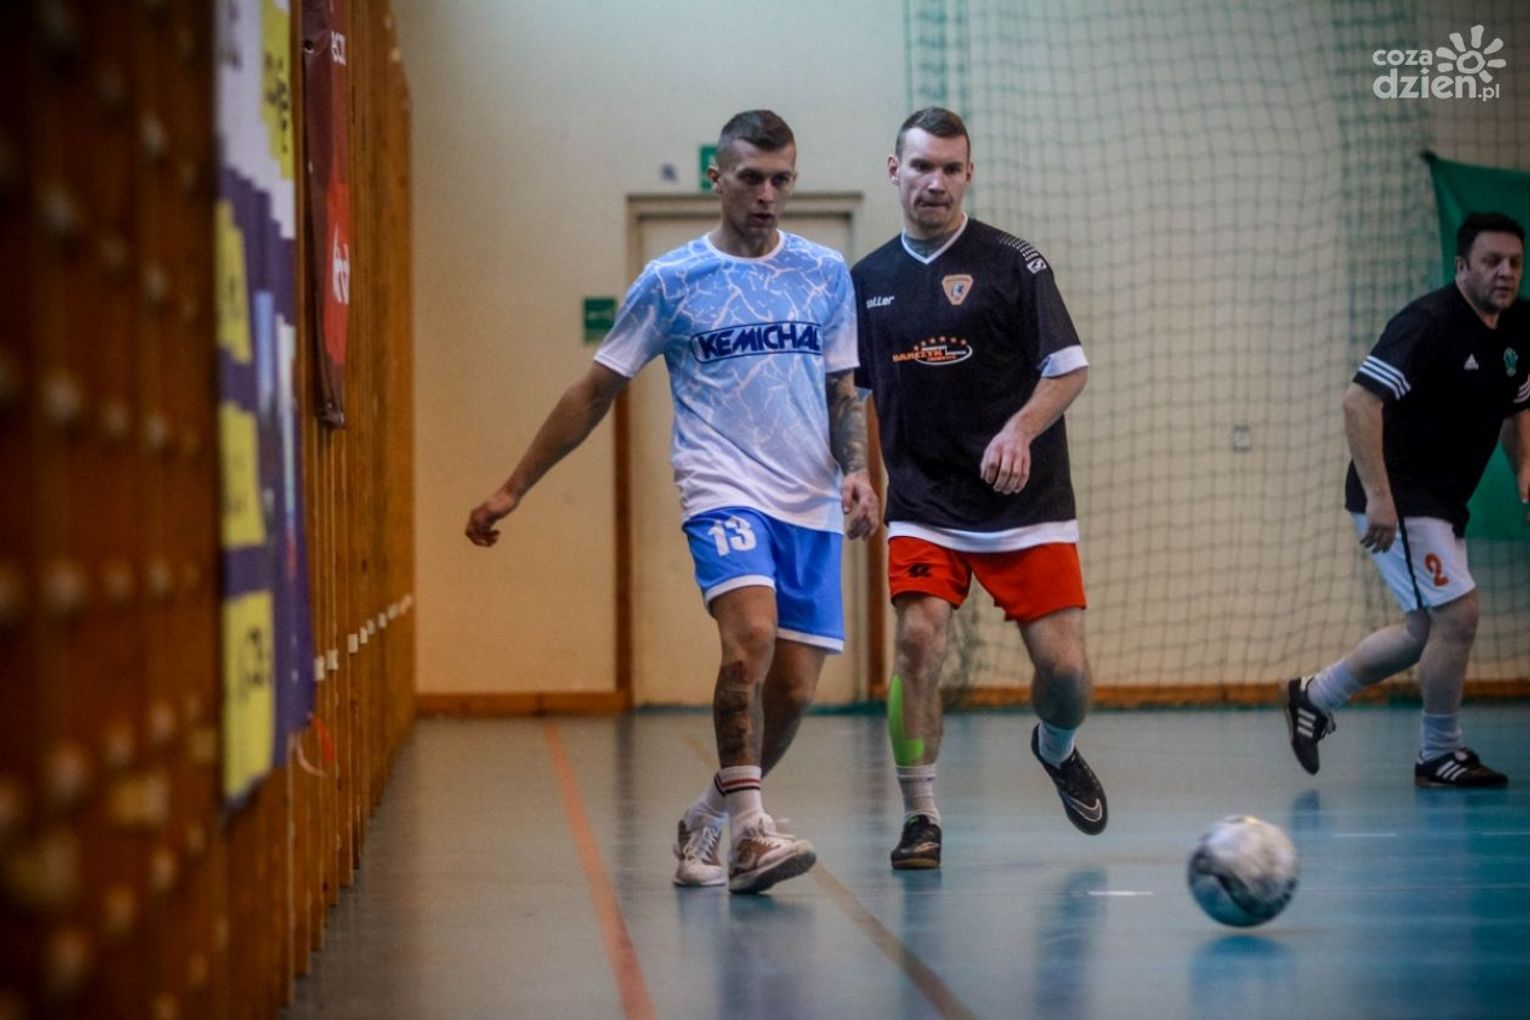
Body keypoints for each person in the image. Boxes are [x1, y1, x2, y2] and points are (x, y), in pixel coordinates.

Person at [466, 110, 878, 893]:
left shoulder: (825, 274)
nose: (766, 194)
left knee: (793, 691)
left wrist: (857, 472)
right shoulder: (672, 281)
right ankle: (753, 834)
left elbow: (842, 389)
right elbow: (594, 390)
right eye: (751, 178)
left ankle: (709, 816)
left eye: (781, 180)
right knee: (749, 639)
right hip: (721, 486)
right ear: (715, 178)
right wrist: (514, 486)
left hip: (809, 499)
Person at [851, 107, 1107, 871]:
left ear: (969, 174)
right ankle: (921, 815)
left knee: (1066, 674)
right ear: (894, 170)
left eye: (950, 168)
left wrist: (1019, 430)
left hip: (1024, 502)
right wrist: (855, 472)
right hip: (924, 501)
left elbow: (1068, 369)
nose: (935, 182)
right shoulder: (866, 283)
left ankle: (1055, 748)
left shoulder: (1013, 264)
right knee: (918, 640)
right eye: (921, 166)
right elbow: (849, 394)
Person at [1285, 212, 1528, 787]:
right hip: (1399, 494)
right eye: (1491, 261)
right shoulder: (1428, 322)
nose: (1505, 273)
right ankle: (1438, 754)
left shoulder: (1519, 325)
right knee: (1459, 616)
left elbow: (1517, 404)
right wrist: (1380, 497)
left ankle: (1314, 696)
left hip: (1442, 500)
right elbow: (1358, 402)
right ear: (1461, 266)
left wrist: (1524, 466)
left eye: (1515, 263)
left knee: (1425, 631)